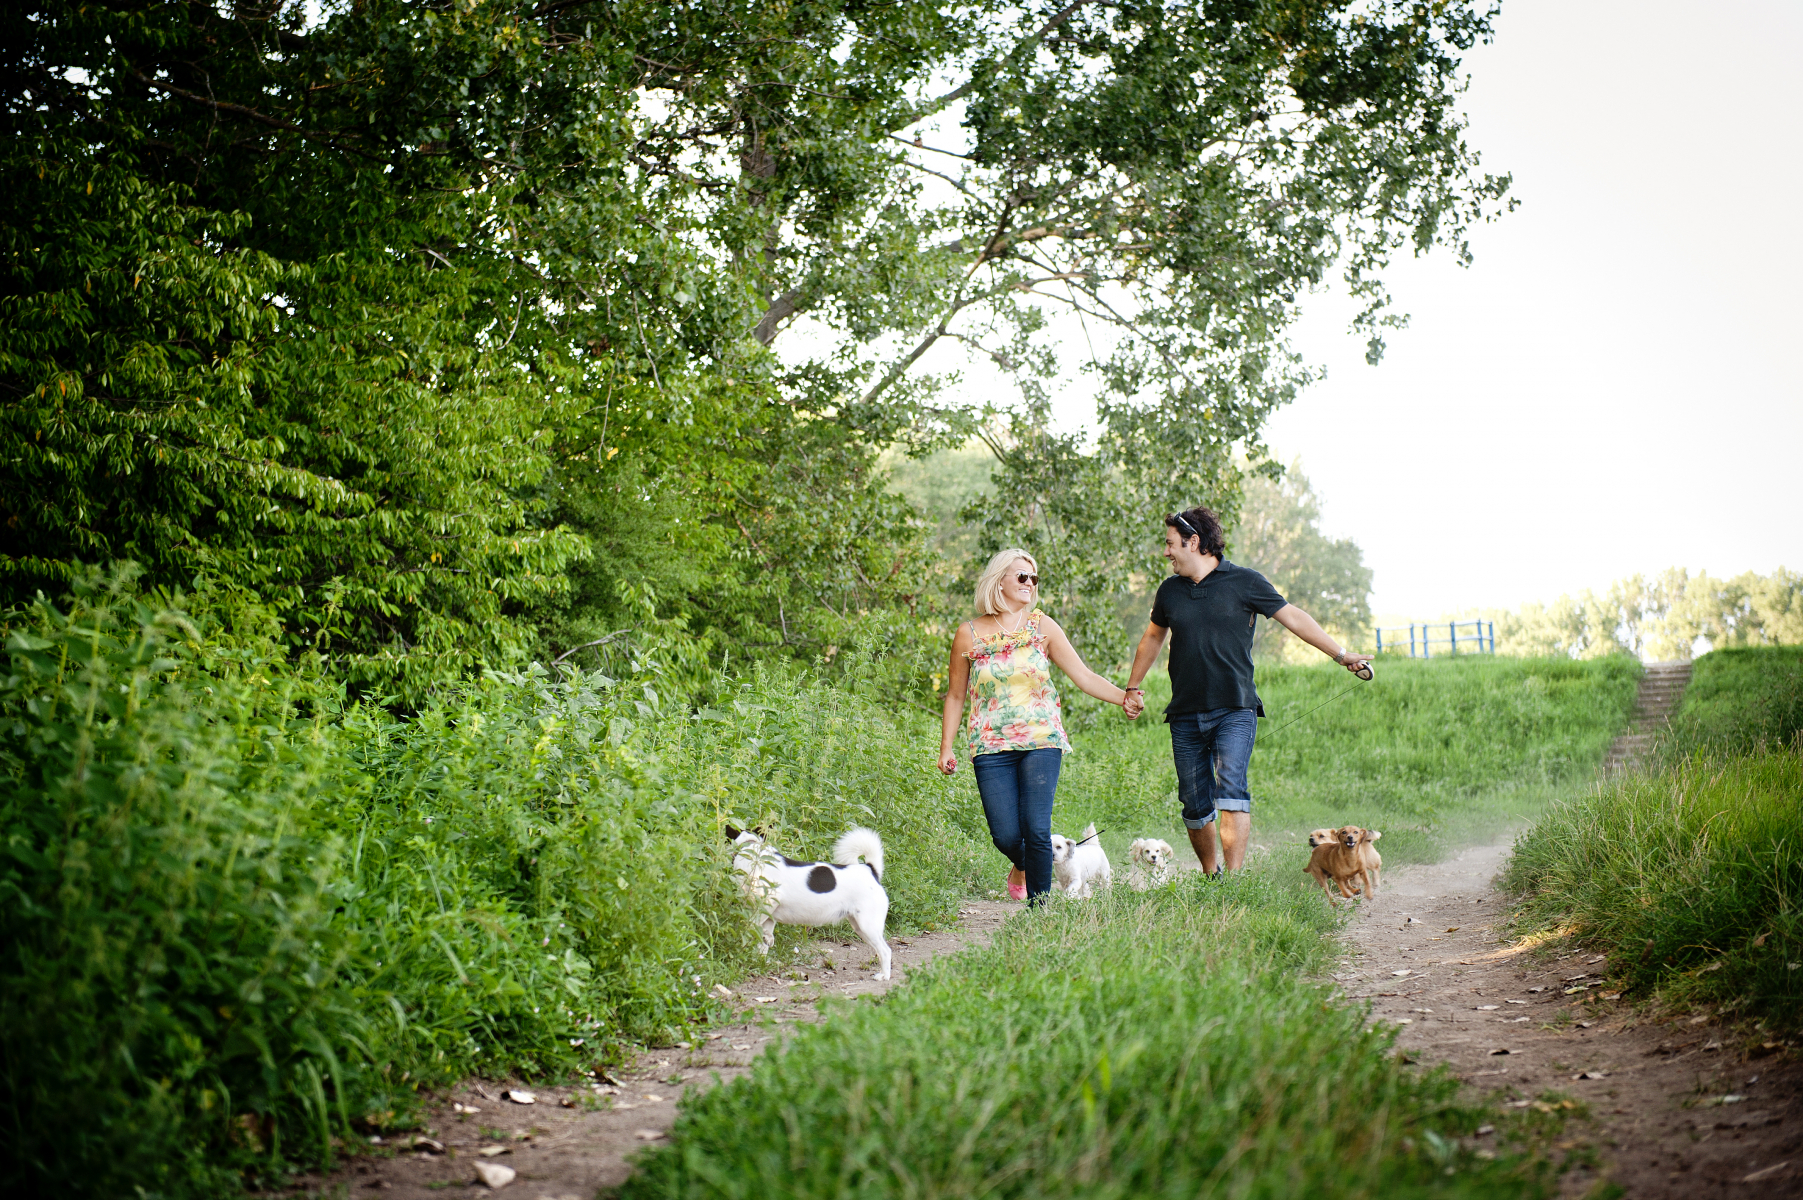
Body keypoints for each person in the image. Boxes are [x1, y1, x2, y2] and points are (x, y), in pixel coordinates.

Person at [1121, 507, 1373, 874]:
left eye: (1171, 544)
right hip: (1184, 712)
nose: (1166, 552)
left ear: (1194, 542)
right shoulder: (1170, 591)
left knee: (1231, 788)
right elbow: (1153, 637)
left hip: (1235, 708)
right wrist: (1132, 686)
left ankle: (1234, 881)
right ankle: (1212, 876)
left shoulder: (1245, 581)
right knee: (1193, 802)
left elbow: (1293, 617)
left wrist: (1340, 654)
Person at [938, 548, 1135, 903]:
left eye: (1034, 578)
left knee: (1037, 828)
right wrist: (946, 748)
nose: (1030, 583)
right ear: (999, 581)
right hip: (990, 745)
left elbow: (1084, 676)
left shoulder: (1042, 626)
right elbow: (955, 695)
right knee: (1005, 835)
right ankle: (1022, 864)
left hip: (1042, 740)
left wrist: (1124, 697)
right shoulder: (969, 634)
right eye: (1021, 576)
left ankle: (1039, 909)